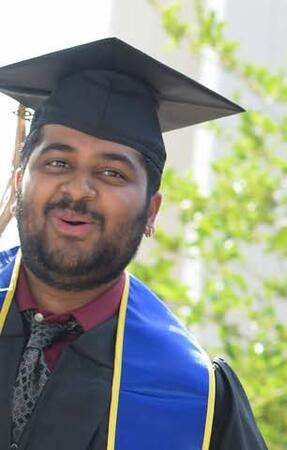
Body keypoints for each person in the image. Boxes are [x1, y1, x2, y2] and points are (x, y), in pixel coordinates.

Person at [0, 37, 266, 450]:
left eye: (112, 174)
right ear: (19, 181)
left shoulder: (198, 395)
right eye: (58, 163)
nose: (79, 189)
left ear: (151, 212)